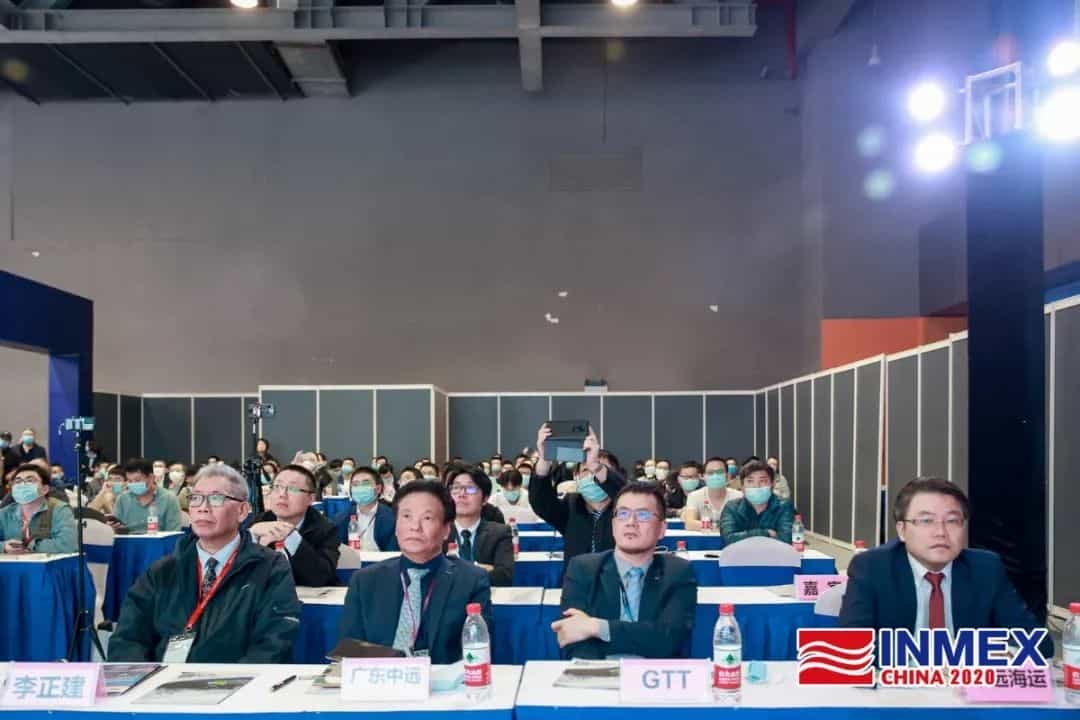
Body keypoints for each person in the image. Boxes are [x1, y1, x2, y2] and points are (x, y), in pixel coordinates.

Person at [839, 477, 1053, 657]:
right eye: (926, 521)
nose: (941, 532)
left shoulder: (986, 568)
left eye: (952, 521)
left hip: (968, 686)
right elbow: (851, 645)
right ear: (902, 530)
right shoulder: (872, 567)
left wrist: (977, 656)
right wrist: (934, 657)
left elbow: (1040, 644)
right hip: (899, 686)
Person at [108, 464, 301, 662]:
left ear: (242, 511)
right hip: (167, 677)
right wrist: (145, 676)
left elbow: (274, 641)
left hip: (236, 678)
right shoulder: (163, 571)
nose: (203, 508)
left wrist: (232, 679)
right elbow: (127, 639)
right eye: (196, 498)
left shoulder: (269, 568)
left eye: (216, 499)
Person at [338, 480, 494, 663]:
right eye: (406, 516)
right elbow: (350, 651)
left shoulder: (471, 580)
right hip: (379, 677)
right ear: (396, 526)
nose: (415, 527)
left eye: (427, 518)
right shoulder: (365, 580)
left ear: (446, 529)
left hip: (441, 679)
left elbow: (475, 653)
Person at [552, 483, 697, 659]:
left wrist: (597, 627)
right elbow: (571, 637)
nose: (631, 523)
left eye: (643, 515)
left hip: (655, 673)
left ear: (661, 529)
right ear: (614, 525)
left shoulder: (677, 572)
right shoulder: (583, 568)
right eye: (623, 514)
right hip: (597, 671)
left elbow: (668, 639)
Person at [529, 423, 626, 565]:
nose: (593, 476)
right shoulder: (571, 506)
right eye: (586, 470)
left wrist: (595, 465)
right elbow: (540, 501)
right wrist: (545, 458)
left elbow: (626, 493)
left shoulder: (626, 509)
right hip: (577, 577)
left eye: (599, 469)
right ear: (576, 476)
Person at [249, 464, 339, 587]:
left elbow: (321, 577)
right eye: (277, 487)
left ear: (310, 498)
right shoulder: (258, 523)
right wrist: (251, 537)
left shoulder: (325, 529)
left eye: (293, 489)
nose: (282, 494)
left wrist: (291, 537)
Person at [447, 467, 514, 586]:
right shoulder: (438, 532)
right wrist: (480, 569)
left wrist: (455, 573)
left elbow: (504, 577)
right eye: (456, 488)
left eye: (470, 488)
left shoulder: (500, 533)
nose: (461, 494)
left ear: (485, 499)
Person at [0, 464, 77, 554]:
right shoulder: (4, 513)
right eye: (18, 481)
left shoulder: (60, 510)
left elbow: (67, 545)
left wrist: (29, 545)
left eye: (30, 481)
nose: (22, 485)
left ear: (45, 489)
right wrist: (4, 546)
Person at [719, 460, 793, 544]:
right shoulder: (732, 508)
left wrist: (745, 536)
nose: (757, 486)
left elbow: (786, 540)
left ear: (773, 484)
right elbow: (728, 539)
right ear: (742, 486)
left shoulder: (783, 506)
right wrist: (765, 533)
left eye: (762, 481)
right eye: (750, 481)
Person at [334, 466, 397, 550]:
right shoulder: (341, 518)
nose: (360, 488)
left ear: (378, 489)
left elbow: (393, 551)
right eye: (355, 484)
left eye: (365, 484)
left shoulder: (392, 518)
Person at [112, 458, 182, 533]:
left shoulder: (169, 499)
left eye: (137, 480)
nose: (133, 484)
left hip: (158, 539)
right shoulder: (122, 499)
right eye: (130, 481)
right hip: (128, 539)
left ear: (151, 477)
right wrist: (113, 528)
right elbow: (116, 530)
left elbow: (173, 532)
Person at [683, 457, 743, 530]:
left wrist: (707, 525)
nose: (715, 476)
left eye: (720, 472)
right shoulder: (694, 496)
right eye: (710, 473)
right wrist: (716, 526)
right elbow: (689, 523)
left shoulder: (739, 496)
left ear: (727, 476)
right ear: (703, 476)